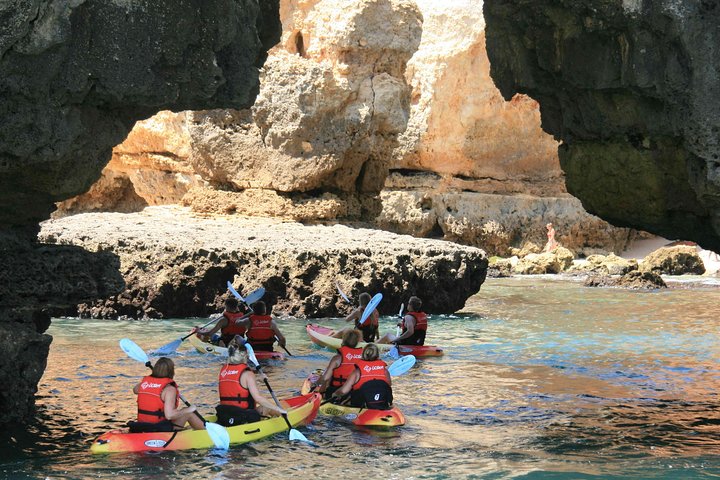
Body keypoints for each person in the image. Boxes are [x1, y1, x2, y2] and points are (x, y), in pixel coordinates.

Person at [216, 338, 287, 426]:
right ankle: (285, 419)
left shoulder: (223, 371)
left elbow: (236, 383)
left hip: (224, 415)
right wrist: (278, 409)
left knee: (262, 407)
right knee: (267, 407)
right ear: (245, 356)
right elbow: (258, 398)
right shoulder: (248, 374)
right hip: (243, 417)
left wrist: (257, 378)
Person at [131, 357, 205, 432]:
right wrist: (189, 409)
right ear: (171, 371)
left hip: (142, 426)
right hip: (159, 428)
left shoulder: (144, 384)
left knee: (184, 411)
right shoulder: (169, 389)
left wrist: (153, 379)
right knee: (189, 413)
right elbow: (169, 415)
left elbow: (135, 390)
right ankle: (207, 433)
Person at [331, 343, 393, 410]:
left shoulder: (357, 372)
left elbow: (343, 391)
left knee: (345, 400)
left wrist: (335, 394)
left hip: (361, 406)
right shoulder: (385, 371)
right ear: (377, 355)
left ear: (363, 354)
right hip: (381, 404)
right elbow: (388, 385)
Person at [315, 329, 363, 399]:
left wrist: (315, 384)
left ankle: (322, 395)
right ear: (357, 342)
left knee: (328, 372)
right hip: (354, 393)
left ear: (343, 341)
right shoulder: (363, 357)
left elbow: (325, 378)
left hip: (336, 391)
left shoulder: (337, 358)